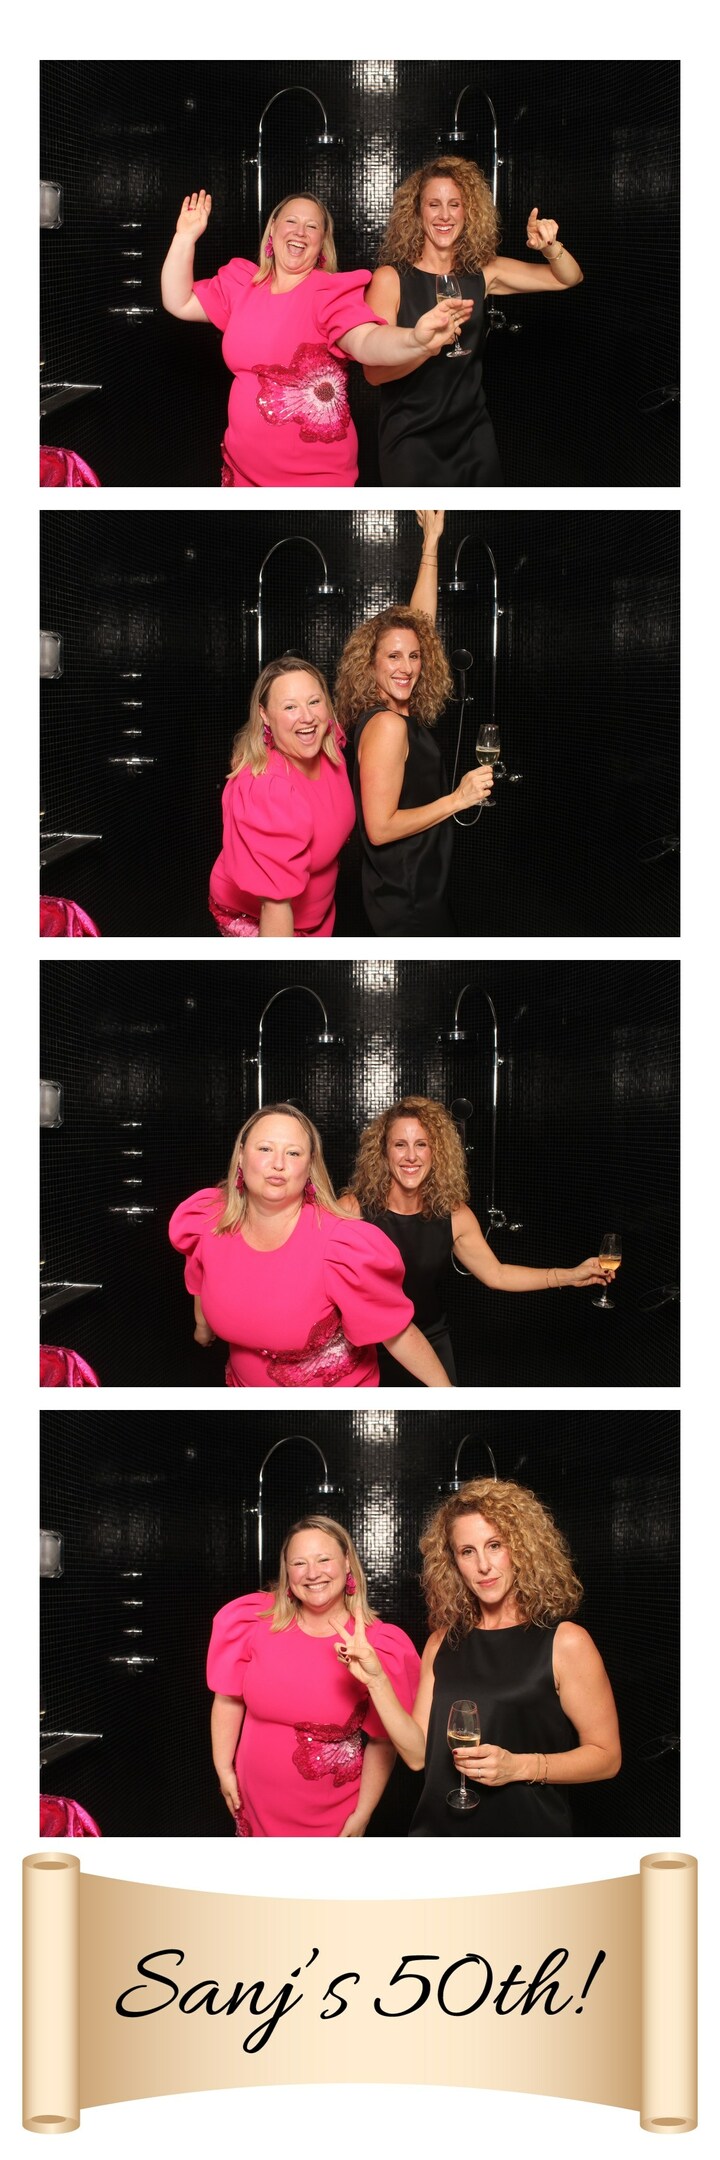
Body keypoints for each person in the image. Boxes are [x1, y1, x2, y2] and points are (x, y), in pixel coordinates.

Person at [334, 1478, 621, 1837]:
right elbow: (417, 1755)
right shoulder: (441, 1642)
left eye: (495, 1545)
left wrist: (519, 1767)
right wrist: (376, 1680)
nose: (483, 1565)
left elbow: (607, 1757)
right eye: (467, 1551)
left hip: (524, 1838)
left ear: (522, 1548)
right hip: (438, 1834)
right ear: (453, 1562)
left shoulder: (565, 1642)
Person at [161, 190, 469, 487]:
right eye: (291, 221)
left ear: (322, 243)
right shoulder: (242, 285)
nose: (300, 231)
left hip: (315, 478)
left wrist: (415, 340)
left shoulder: (329, 293)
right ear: (272, 230)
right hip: (242, 471)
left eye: (312, 226)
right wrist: (185, 237)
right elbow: (179, 302)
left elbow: (366, 340)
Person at [169, 1104, 453, 1388]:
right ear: (241, 1156)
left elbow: (396, 1332)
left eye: (293, 1153)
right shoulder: (207, 1219)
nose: (278, 1163)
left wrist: (447, 1393)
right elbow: (199, 1272)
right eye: (265, 1149)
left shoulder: (340, 1245)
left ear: (309, 1167)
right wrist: (202, 1325)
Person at [340, 1097, 614, 1383]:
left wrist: (570, 1275)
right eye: (400, 1145)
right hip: (368, 1348)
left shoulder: (454, 1214)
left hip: (432, 1343)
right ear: (383, 1152)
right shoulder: (352, 1211)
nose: (411, 1156)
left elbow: (497, 1274)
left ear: (436, 1152)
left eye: (421, 1144)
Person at [364, 158, 584, 485]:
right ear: (417, 212)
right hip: (411, 438)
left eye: (455, 204)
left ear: (468, 212)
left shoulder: (484, 271)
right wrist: (426, 347)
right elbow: (374, 373)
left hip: (472, 435)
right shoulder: (390, 279)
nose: (444, 215)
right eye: (434, 204)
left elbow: (568, 278)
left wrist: (550, 248)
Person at [208, 1515, 421, 1836]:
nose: (312, 1573)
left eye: (324, 1559)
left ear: (347, 1563)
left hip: (332, 1812)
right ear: (287, 1570)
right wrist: (224, 1769)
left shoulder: (376, 1643)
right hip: (254, 1802)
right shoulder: (253, 1621)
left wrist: (363, 1814)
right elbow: (228, 1699)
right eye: (299, 1563)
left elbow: (383, 1742)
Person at [335, 512, 492, 935]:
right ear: (370, 664)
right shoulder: (387, 726)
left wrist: (431, 543)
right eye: (392, 656)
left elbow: (419, 624)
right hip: (406, 897)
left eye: (414, 656)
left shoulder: (393, 713)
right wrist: (458, 799)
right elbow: (380, 828)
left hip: (416, 885)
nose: (406, 667)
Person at [208, 657, 355, 937]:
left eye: (314, 701)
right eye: (290, 707)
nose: (307, 717)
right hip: (266, 921)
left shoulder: (326, 746)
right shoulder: (268, 789)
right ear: (264, 715)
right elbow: (275, 908)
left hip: (318, 916)